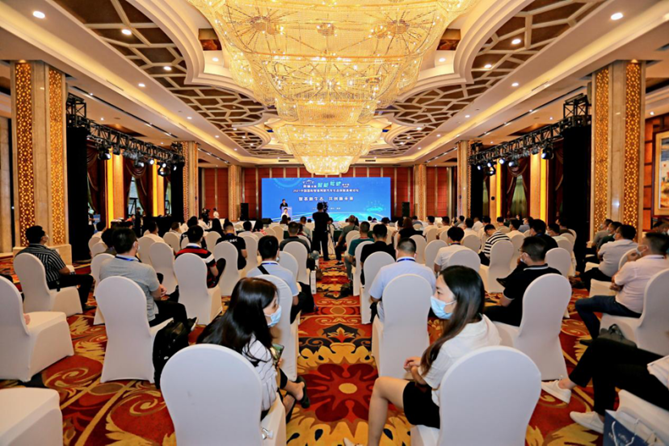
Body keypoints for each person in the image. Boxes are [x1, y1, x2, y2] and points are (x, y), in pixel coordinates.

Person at [345, 266, 501, 446]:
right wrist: (427, 362)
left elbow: (422, 381)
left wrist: (415, 368)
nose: (433, 297)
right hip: (479, 403)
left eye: (439, 292)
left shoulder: (449, 347)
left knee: (380, 386)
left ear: (459, 300)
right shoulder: (486, 323)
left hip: (446, 411)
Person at [198, 278, 309, 421]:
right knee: (276, 394)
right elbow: (266, 402)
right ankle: (287, 406)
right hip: (242, 414)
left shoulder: (214, 329)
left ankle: (295, 389)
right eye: (274, 305)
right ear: (257, 312)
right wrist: (272, 370)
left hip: (207, 403)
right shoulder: (258, 351)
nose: (278, 309)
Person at [541, 337, 669, 434]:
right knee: (601, 345)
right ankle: (565, 385)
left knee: (604, 366)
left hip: (664, 382)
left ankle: (601, 418)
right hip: (664, 365)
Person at [575, 232, 669, 340]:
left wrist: (628, 262)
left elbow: (615, 281)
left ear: (645, 248)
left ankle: (598, 339)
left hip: (629, 308)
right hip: (658, 309)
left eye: (641, 243)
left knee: (581, 304)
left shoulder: (634, 266)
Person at [100, 228, 194, 328]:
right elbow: (157, 297)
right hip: (145, 317)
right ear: (135, 244)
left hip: (117, 314)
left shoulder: (104, 266)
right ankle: (178, 333)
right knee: (179, 308)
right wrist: (157, 289)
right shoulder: (145, 269)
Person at [484, 237, 561, 326]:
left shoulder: (519, 277)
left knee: (484, 312)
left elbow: (504, 303)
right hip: (547, 317)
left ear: (525, 255)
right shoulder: (557, 274)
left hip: (520, 318)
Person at [17, 225, 95, 311]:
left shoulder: (20, 254)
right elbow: (65, 271)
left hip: (29, 284)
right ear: (43, 238)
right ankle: (81, 304)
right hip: (52, 283)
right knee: (88, 278)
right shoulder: (49, 253)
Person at [368, 238, 436, 322]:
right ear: (415, 255)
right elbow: (433, 296)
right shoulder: (428, 271)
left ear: (396, 252)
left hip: (390, 316)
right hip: (418, 315)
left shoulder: (384, 271)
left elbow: (374, 298)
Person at [247, 236, 303, 323]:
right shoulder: (287, 273)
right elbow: (295, 302)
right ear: (278, 252)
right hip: (283, 316)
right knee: (302, 296)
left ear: (258, 251)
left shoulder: (250, 275)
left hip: (258, 316)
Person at [578, 224, 637, 291]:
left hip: (606, 276)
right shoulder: (637, 248)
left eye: (616, 232)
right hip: (627, 277)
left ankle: (592, 290)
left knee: (588, 274)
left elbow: (599, 256)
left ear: (619, 235)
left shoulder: (608, 245)